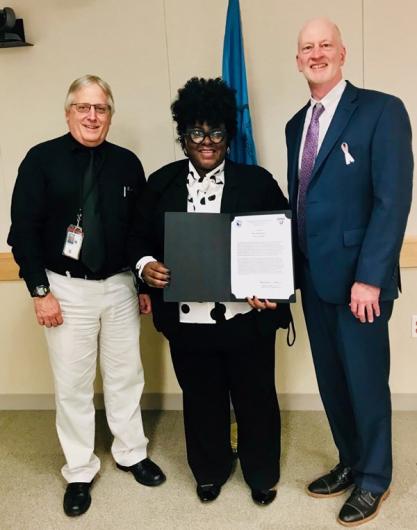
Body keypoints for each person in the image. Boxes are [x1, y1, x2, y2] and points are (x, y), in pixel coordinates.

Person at [8, 75, 166, 517]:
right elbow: (22, 233)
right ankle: (79, 469)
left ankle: (131, 452)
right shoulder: (41, 160)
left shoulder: (127, 164)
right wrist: (40, 292)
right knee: (74, 386)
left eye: (101, 108)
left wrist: (137, 284)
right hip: (64, 287)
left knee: (125, 376)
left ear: (110, 115)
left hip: (117, 286)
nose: (92, 116)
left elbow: (138, 232)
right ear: (68, 112)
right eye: (83, 107)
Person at [136, 77, 291, 505]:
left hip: (246, 319)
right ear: (183, 135)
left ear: (229, 136)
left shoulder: (257, 181)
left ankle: (261, 473)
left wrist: (272, 288)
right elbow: (137, 238)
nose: (208, 142)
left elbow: (283, 241)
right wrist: (145, 266)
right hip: (188, 322)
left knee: (255, 398)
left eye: (217, 132)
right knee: (201, 399)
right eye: (197, 132)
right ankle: (210, 469)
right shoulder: (161, 183)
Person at [286, 18, 413, 526]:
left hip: (362, 282)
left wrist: (371, 277)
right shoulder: (297, 124)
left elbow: (392, 199)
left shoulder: (382, 110)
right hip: (314, 278)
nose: (316, 54)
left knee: (365, 381)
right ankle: (351, 461)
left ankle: (376, 478)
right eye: (306, 48)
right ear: (298, 60)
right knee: (332, 381)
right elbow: (301, 204)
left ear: (343, 53)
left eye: (324, 45)